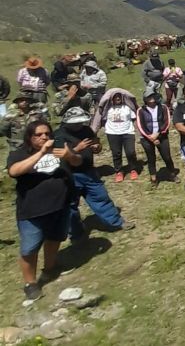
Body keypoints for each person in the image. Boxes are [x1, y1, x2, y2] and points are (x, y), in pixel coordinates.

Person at [8, 120, 81, 301]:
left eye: (47, 133)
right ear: (29, 137)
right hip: (33, 211)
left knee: (54, 238)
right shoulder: (19, 153)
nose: (44, 137)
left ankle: (50, 268)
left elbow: (78, 161)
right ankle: (31, 283)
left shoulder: (59, 148)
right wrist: (41, 153)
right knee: (30, 248)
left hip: (60, 206)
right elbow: (14, 171)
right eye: (38, 135)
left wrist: (69, 155)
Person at [55, 107, 132, 239]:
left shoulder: (86, 130)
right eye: (76, 123)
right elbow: (57, 156)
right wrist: (77, 149)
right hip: (69, 175)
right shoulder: (59, 135)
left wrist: (97, 147)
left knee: (100, 197)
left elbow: (97, 144)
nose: (79, 125)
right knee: (70, 205)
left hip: (88, 171)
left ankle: (116, 222)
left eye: (80, 122)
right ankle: (75, 232)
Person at [135, 90, 179, 188]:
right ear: (145, 99)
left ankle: (172, 174)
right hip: (147, 138)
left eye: (153, 95)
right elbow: (140, 126)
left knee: (167, 156)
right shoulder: (141, 110)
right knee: (151, 158)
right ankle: (153, 178)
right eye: (149, 96)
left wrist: (158, 134)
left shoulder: (163, 107)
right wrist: (150, 137)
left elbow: (166, 122)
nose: (151, 97)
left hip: (161, 136)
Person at [103, 91, 139, 183]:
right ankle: (119, 171)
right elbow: (102, 119)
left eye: (119, 97)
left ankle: (133, 169)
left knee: (130, 152)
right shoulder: (108, 108)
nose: (117, 99)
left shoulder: (127, 107)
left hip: (128, 132)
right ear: (112, 99)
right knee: (116, 153)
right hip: (112, 133)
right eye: (115, 97)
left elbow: (134, 118)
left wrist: (136, 129)